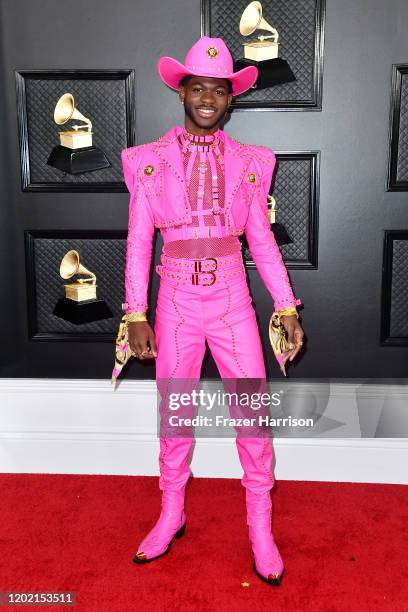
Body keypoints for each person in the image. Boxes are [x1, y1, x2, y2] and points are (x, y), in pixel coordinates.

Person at [120, 36, 304, 586]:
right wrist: (135, 313)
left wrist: (287, 304)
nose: (207, 98)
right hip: (173, 303)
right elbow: (137, 242)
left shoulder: (251, 164)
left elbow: (263, 243)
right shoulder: (147, 162)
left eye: (218, 91)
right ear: (182, 92)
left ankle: (260, 526)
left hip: (231, 304)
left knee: (252, 416)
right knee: (175, 417)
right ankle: (171, 512)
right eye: (197, 87)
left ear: (230, 99)